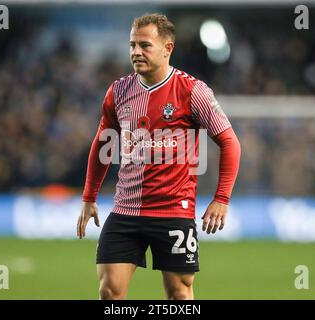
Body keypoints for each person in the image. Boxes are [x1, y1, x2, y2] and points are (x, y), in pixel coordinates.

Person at [77, 13, 241, 300]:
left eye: (144, 45)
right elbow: (103, 144)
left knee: (179, 292)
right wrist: (89, 197)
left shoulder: (192, 91)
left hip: (173, 211)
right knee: (109, 292)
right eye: (132, 45)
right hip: (126, 210)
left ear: (167, 48)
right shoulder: (119, 91)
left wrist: (222, 198)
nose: (136, 52)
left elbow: (229, 142)